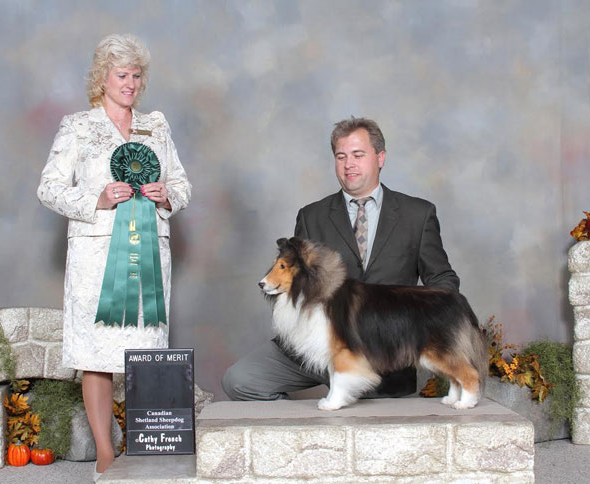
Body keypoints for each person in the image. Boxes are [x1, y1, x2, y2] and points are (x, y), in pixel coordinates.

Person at [37, 34, 191, 480]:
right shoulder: (77, 127)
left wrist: (167, 195)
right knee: (98, 356)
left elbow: (183, 184)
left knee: (145, 354)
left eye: (136, 76)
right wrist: (97, 199)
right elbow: (48, 188)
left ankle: (145, 448)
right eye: (121, 75)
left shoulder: (156, 126)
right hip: (95, 261)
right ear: (102, 78)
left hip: (150, 259)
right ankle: (105, 453)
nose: (130, 84)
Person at [222, 116, 458, 401]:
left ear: (380, 158)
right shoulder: (311, 216)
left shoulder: (418, 214)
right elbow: (291, 280)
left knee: (372, 410)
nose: (348, 165)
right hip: (317, 345)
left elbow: (441, 278)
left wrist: (434, 323)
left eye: (358, 155)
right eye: (341, 156)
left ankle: (345, 396)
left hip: (387, 352)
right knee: (240, 381)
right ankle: (302, 424)